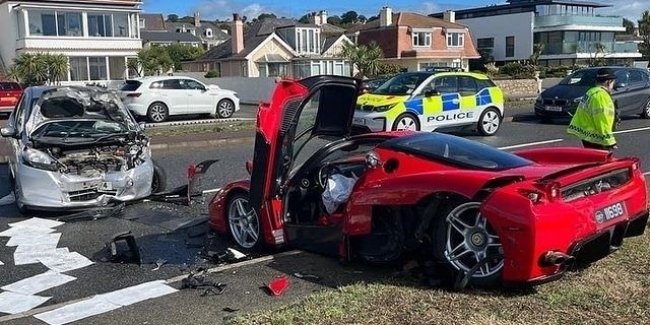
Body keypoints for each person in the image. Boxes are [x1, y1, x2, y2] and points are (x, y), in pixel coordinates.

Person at [567, 67, 619, 151]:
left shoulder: (591, 92)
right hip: (597, 138)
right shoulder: (601, 96)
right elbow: (602, 120)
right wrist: (610, 141)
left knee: (592, 160)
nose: (613, 86)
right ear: (608, 82)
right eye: (613, 83)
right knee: (602, 162)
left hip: (587, 135)